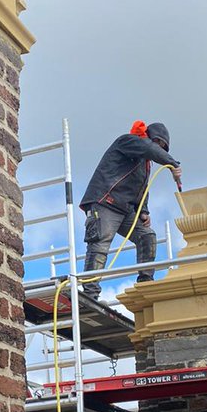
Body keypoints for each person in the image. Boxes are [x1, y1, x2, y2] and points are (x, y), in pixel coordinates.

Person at [78, 120, 182, 299]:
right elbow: (148, 148)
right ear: (150, 138)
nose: (159, 149)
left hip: (124, 208)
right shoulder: (129, 141)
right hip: (105, 202)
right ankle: (90, 294)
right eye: (158, 144)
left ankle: (145, 284)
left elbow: (141, 186)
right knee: (100, 244)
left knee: (146, 236)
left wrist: (143, 210)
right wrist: (173, 164)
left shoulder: (145, 164)